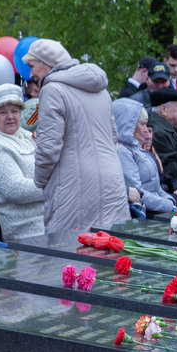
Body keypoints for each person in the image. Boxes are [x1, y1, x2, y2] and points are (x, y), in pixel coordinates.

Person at [27, 38, 129, 235]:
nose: (31, 74)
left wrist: (40, 182)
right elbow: (113, 138)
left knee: (67, 254)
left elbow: (48, 148)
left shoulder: (52, 90)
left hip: (74, 184)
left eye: (32, 66)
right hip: (113, 180)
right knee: (109, 252)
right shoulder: (102, 91)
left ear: (46, 63)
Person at [0, 84, 45, 240]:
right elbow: (16, 190)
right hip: (28, 231)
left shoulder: (27, 136)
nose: (10, 116)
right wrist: (56, 185)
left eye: (15, 111)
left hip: (51, 221)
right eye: (3, 112)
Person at [112, 98, 177, 215]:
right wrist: (170, 204)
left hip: (158, 209)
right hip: (147, 216)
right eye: (142, 125)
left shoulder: (137, 148)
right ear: (129, 125)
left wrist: (171, 201)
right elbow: (138, 194)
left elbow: (156, 187)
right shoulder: (122, 151)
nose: (145, 130)